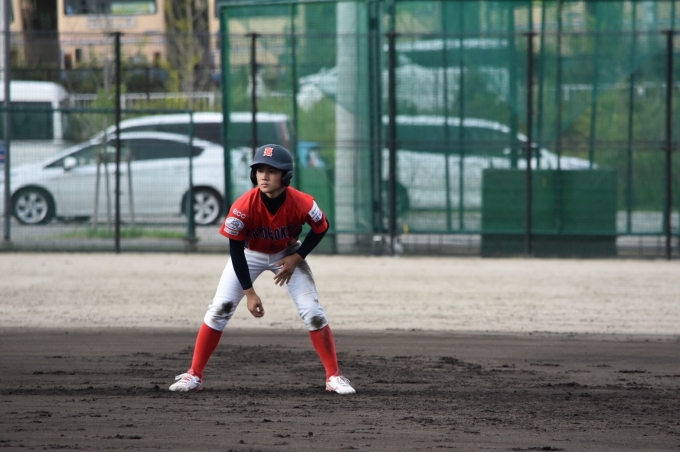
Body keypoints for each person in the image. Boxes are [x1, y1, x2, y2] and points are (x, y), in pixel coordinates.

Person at [169, 144, 355, 395]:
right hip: (249, 254)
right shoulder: (242, 206)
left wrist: (298, 257)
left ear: (286, 176)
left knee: (313, 312)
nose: (264, 176)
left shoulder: (302, 202)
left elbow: (322, 227)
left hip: (288, 252)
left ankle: (334, 376)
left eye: (271, 171)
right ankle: (194, 374)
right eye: (259, 170)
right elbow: (236, 250)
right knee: (219, 309)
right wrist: (249, 292)